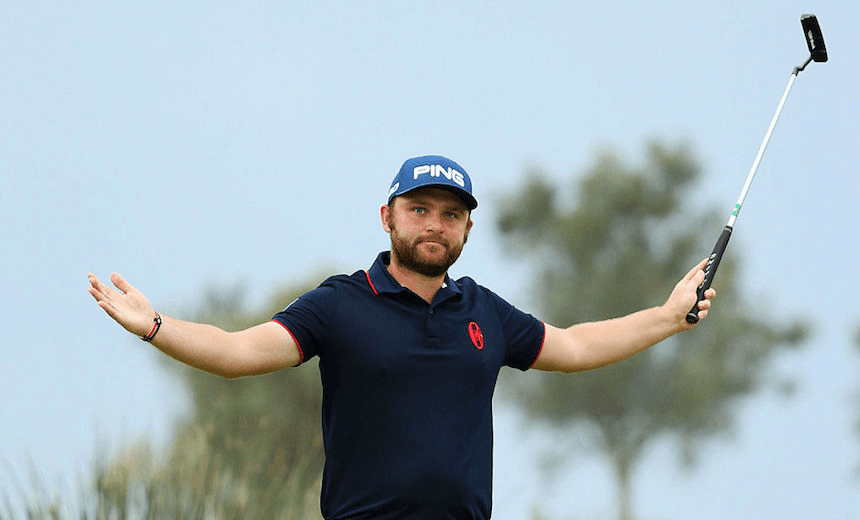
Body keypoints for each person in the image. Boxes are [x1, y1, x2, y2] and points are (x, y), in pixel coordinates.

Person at [88, 154, 715, 520]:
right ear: (387, 217)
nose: (434, 225)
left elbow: (573, 346)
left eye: (450, 214)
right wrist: (156, 327)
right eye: (419, 210)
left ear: (467, 229)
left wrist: (667, 316)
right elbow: (237, 353)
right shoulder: (339, 304)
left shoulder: (484, 312)